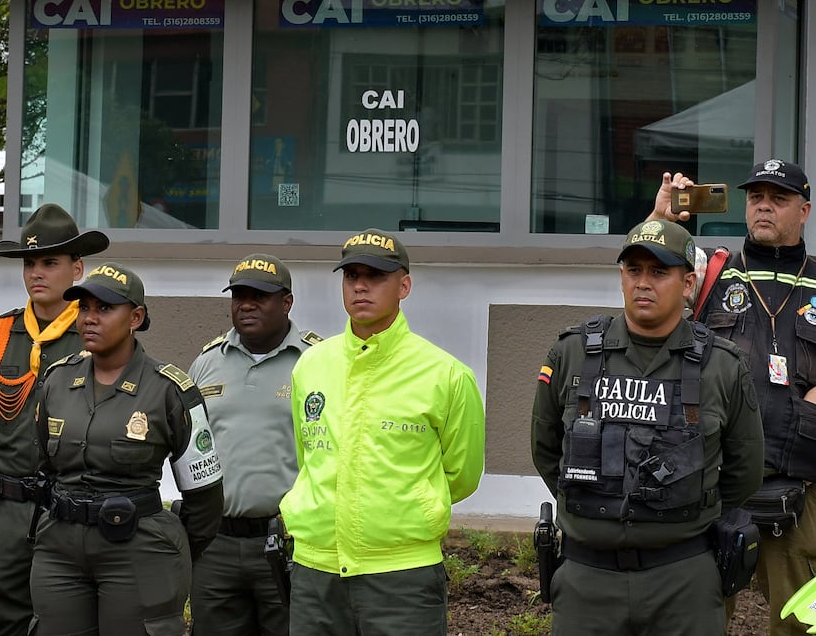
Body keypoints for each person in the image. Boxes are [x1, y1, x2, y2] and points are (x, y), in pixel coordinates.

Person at [652, 160, 816, 636]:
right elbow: (650, 273)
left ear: (804, 211)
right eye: (756, 197)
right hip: (708, 475)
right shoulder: (710, 271)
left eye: (778, 199)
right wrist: (661, 219)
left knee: (802, 619)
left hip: (800, 481)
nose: (764, 207)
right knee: (695, 614)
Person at [531, 218, 764, 636]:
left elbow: (744, 471)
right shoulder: (572, 353)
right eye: (633, 270)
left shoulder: (722, 366)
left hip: (683, 580)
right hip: (587, 580)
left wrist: (681, 512)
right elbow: (546, 449)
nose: (643, 283)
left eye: (659, 271)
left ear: (688, 283)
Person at [279, 228, 486, 636]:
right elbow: (310, 456)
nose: (360, 286)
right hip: (316, 573)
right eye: (351, 275)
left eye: (375, 276)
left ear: (404, 286)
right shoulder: (311, 365)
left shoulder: (445, 375)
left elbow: (461, 475)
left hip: (402, 576)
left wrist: (411, 505)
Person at [31, 261, 224, 636]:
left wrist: (171, 548)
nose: (89, 318)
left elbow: (205, 494)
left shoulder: (169, 390)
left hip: (137, 550)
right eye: (84, 307)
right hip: (60, 553)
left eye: (104, 308)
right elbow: (45, 467)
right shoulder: (56, 381)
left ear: (135, 317)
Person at [0, 203, 110, 636]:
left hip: (73, 508)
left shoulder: (96, 335)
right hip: (8, 508)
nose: (37, 273)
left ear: (77, 268)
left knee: (69, 623)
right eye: (30, 264)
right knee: (4, 619)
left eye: (50, 263)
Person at [187, 253, 322, 635]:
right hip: (216, 545)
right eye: (239, 296)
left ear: (287, 302)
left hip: (290, 542)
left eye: (259, 296)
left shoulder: (317, 361)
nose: (246, 305)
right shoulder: (207, 362)